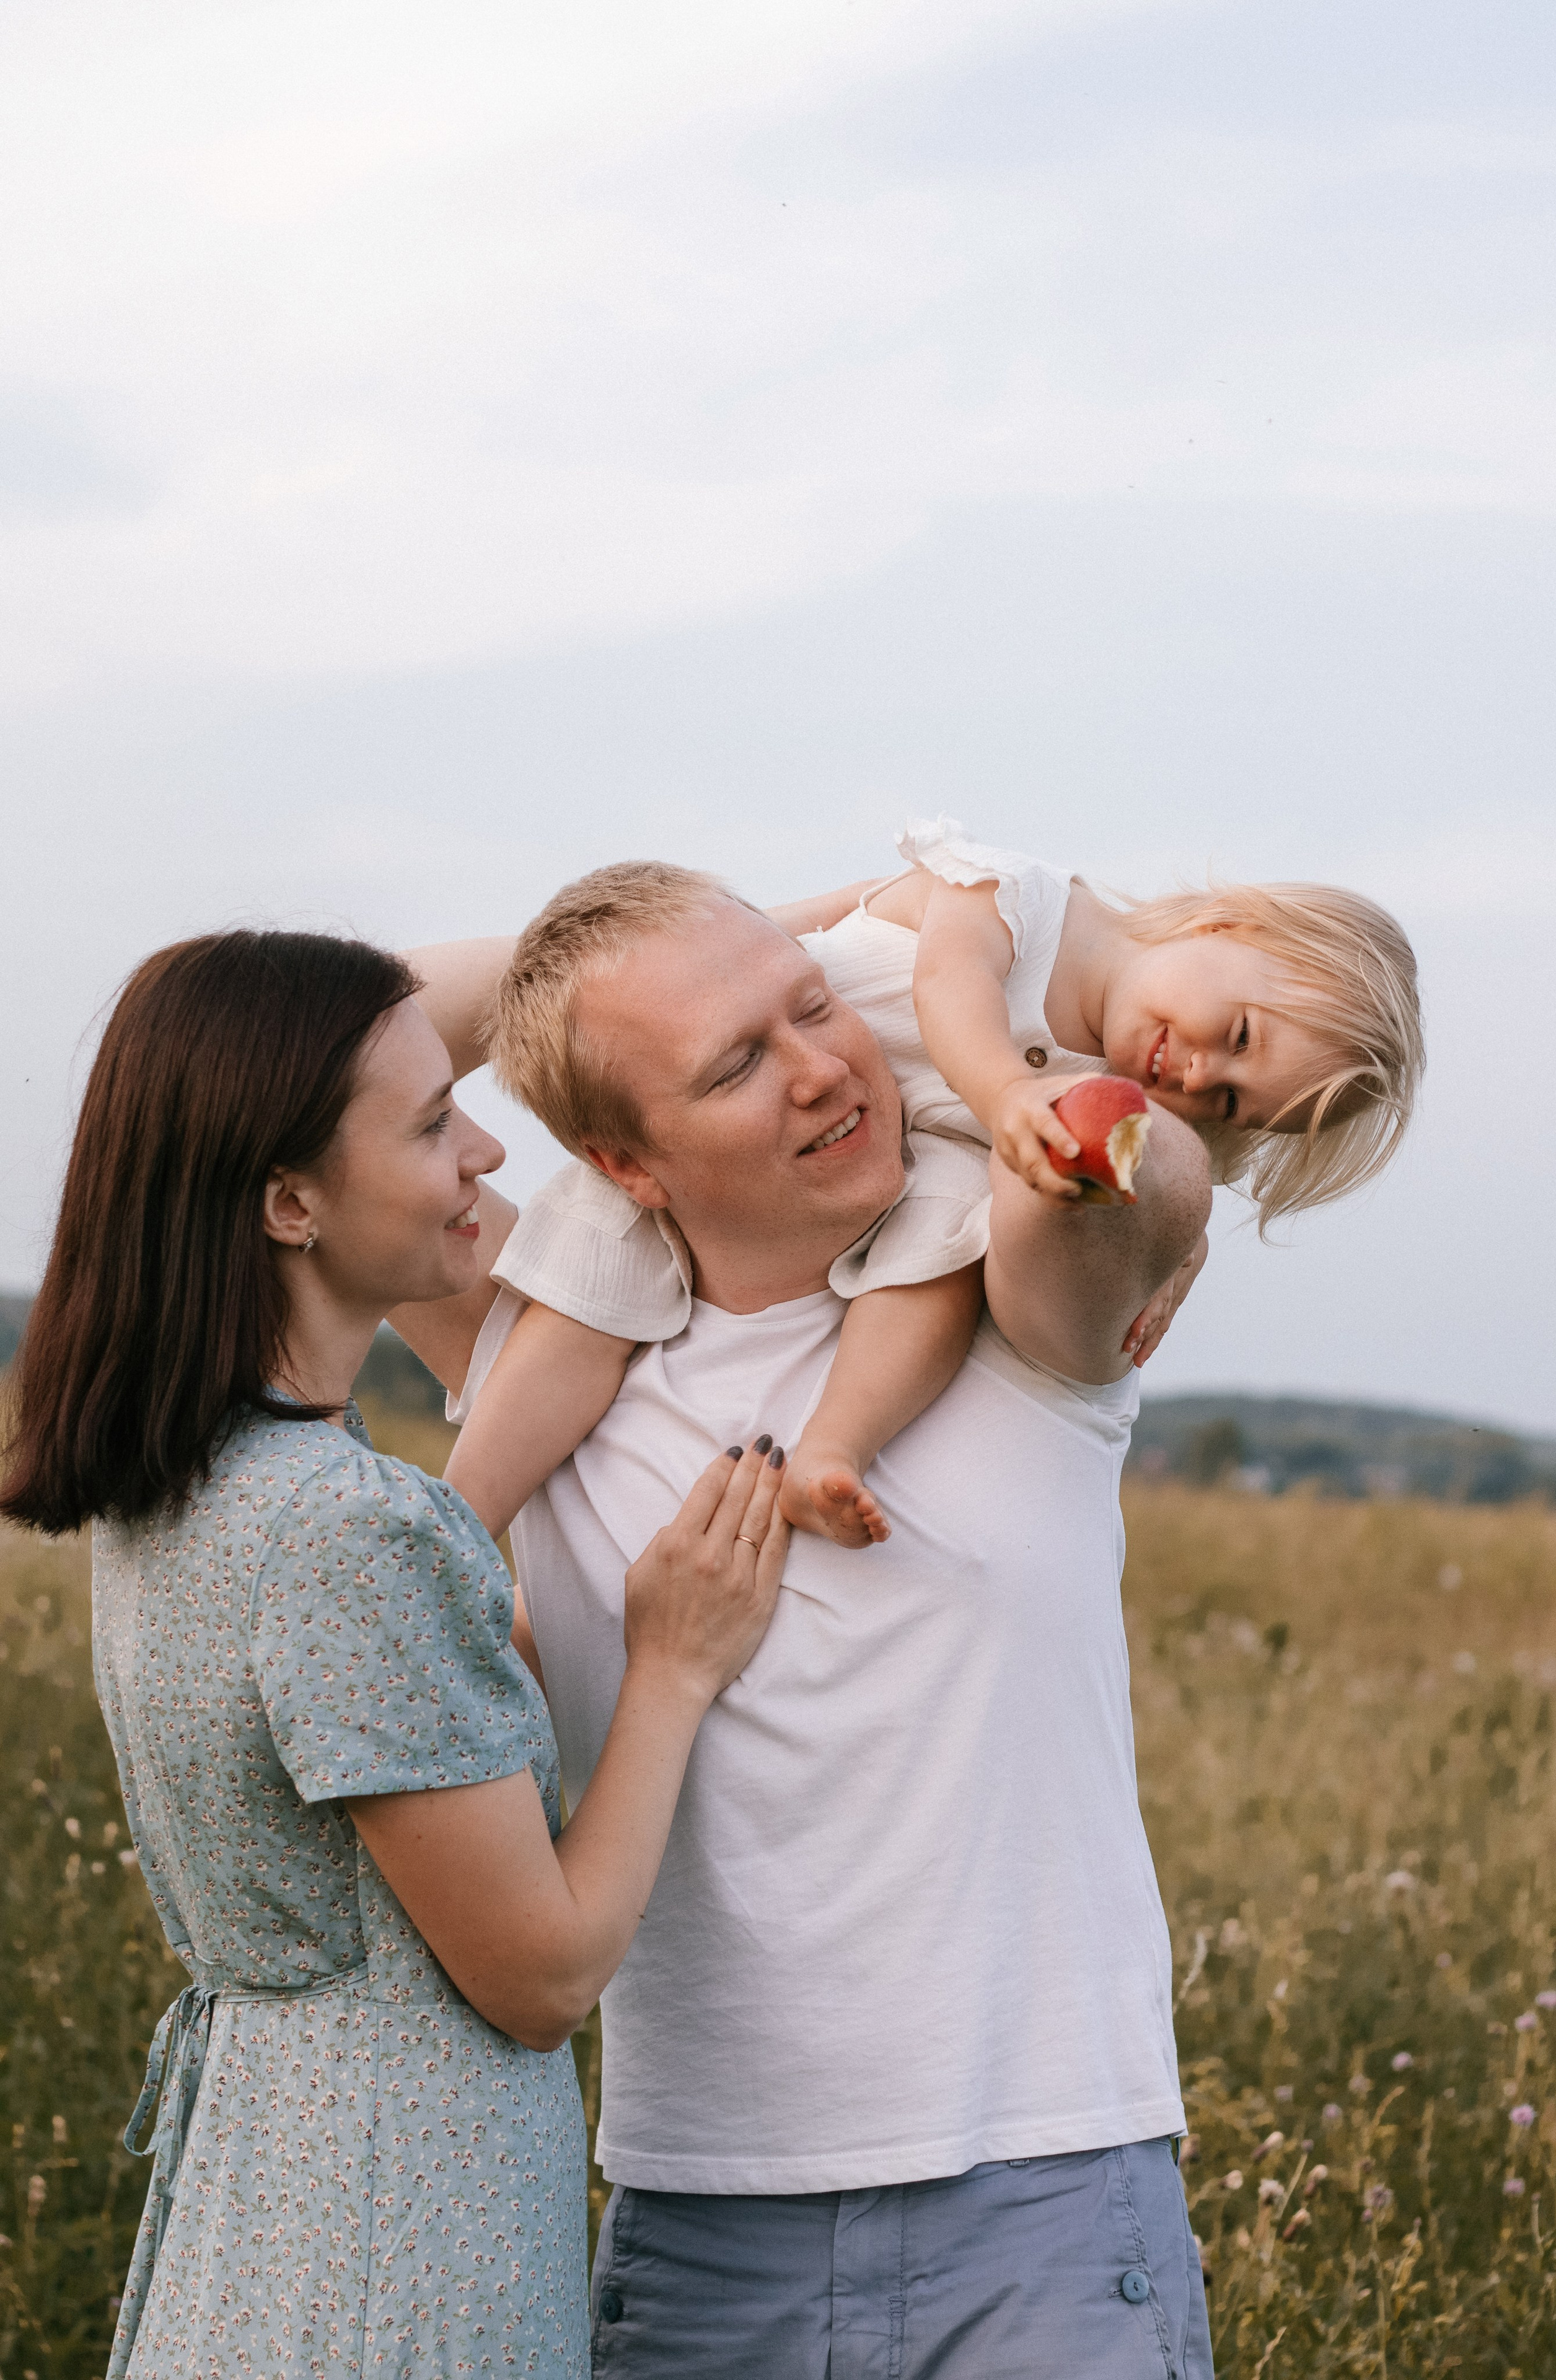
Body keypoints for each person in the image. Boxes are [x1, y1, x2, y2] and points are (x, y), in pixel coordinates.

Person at [396, 865, 1223, 2378]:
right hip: (703, 2236)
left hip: (1039, 2203)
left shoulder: (1008, 1312)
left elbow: (1132, 1162)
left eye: (815, 1005)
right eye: (731, 1065)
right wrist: (596, 968)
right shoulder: (545, 1356)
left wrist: (846, 926)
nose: (823, 1069)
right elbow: (292, 1067)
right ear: (621, 1163)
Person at [0, 928, 792, 2380]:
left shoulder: (195, 1485)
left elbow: (390, 1774)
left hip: (273, 2193)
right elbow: (541, 1975)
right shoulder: (346, 1525)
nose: (484, 1152)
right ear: (287, 1202)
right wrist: (671, 1668)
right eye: (433, 1125)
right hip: (399, 2233)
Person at [441, 819, 1422, 1551]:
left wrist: (1181, 1251)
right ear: (1227, 925)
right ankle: (457, 1524)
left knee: (942, 1260)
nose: (1202, 1077)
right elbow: (949, 989)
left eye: (1238, 1103)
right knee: (585, 1297)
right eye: (1240, 1034)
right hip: (720, 1105)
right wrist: (1008, 1096)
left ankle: (833, 1447)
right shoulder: (1028, 898)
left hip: (903, 1149)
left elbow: (1162, 1176)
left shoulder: (1109, 1096)